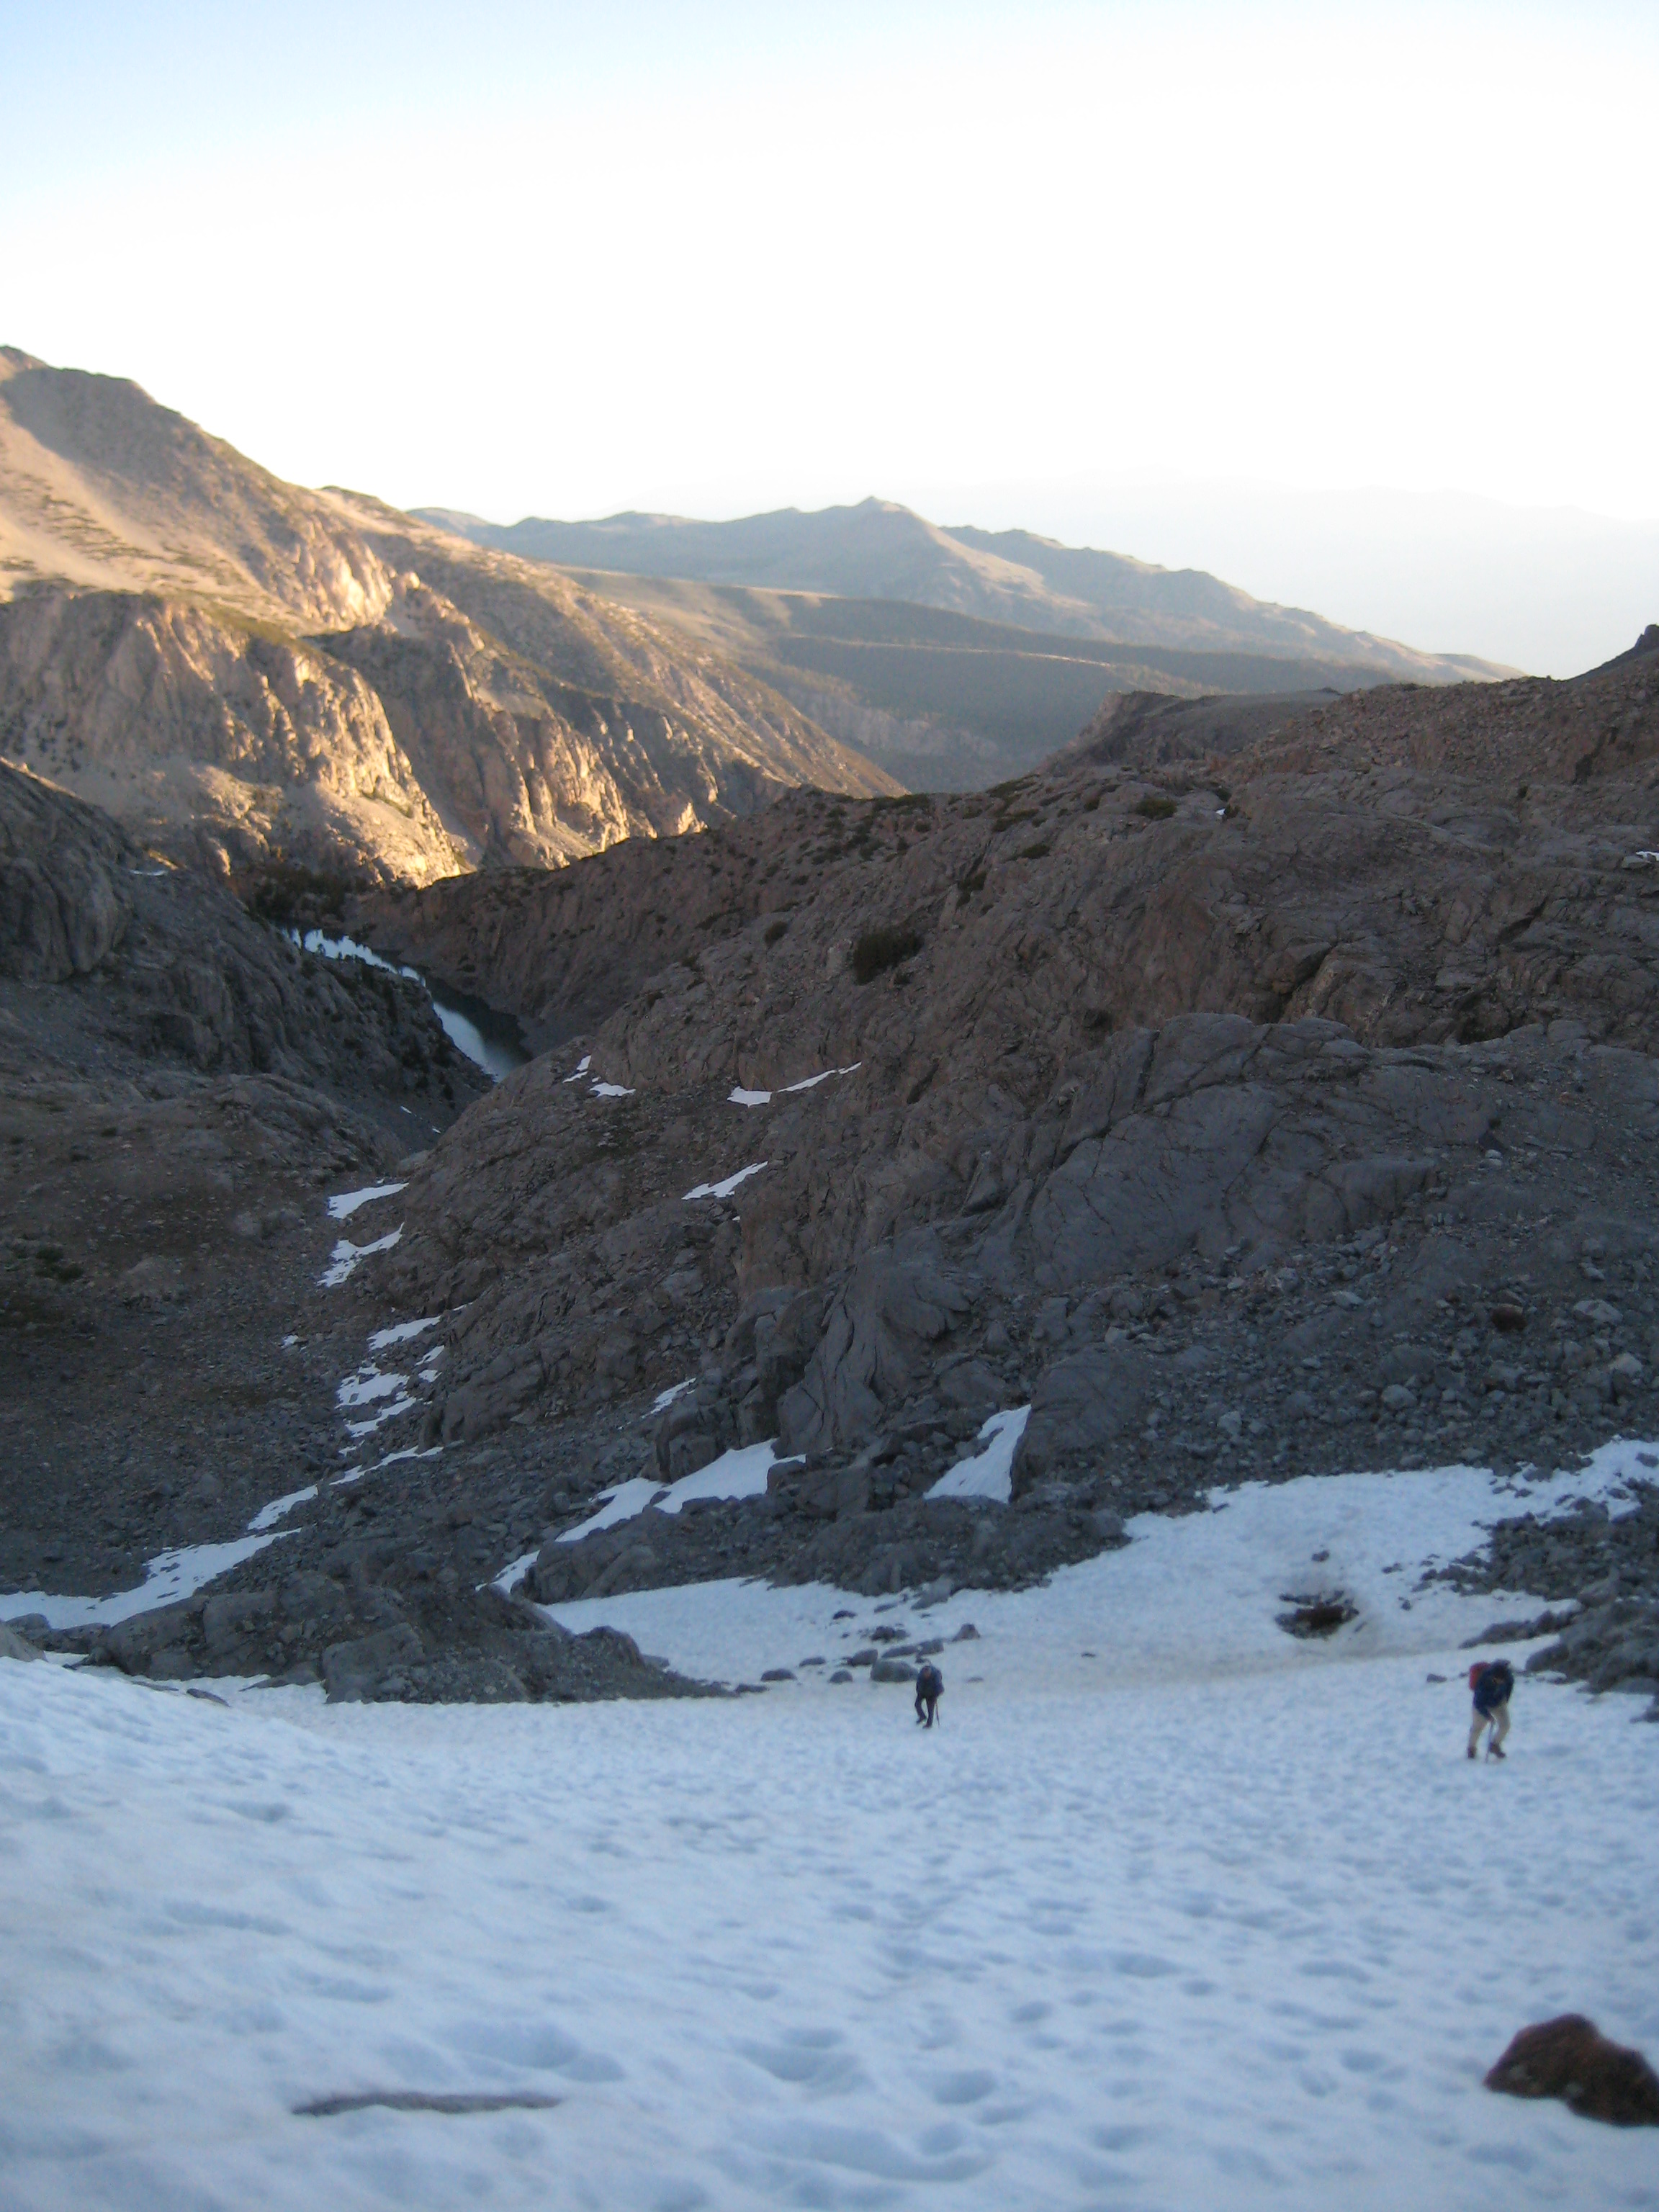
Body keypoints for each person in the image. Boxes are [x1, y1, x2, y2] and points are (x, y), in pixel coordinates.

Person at [1467, 1658, 1514, 1760]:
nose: (1501, 1683)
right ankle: (1471, 1748)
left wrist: (1506, 1700)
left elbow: (1510, 1687)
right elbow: (1479, 1703)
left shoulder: (1508, 1678)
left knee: (1505, 1725)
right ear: (1494, 1678)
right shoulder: (1484, 1681)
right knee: (1478, 1727)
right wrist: (1488, 1716)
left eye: (1503, 1681)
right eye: (1498, 1681)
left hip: (1499, 1702)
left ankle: (1495, 1745)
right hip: (1483, 1704)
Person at [914, 1661, 943, 1728]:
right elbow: (918, 1685)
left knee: (930, 1709)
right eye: (925, 1674)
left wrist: (937, 1693)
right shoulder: (920, 1676)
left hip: (932, 1693)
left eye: (927, 1674)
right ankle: (922, 1716)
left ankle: (929, 1724)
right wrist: (919, 1691)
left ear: (930, 1673)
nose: (926, 1675)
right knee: (917, 1704)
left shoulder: (936, 1676)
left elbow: (940, 1687)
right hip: (922, 1692)